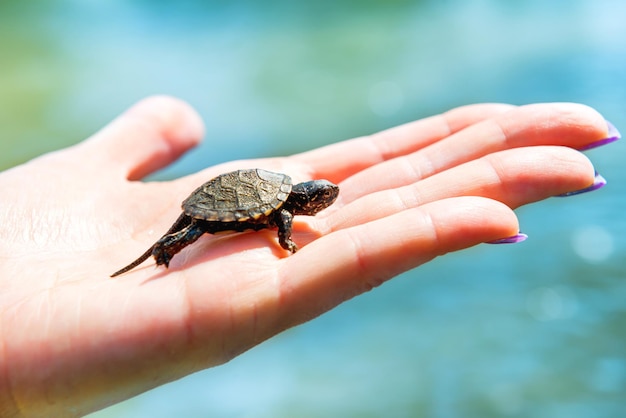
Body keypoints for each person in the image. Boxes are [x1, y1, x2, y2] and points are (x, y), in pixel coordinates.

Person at [0, 96, 618, 417]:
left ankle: (164, 247)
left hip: (235, 193)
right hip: (219, 201)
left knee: (191, 231)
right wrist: (286, 242)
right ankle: (163, 250)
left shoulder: (282, 194)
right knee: (190, 233)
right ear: (302, 198)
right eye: (319, 195)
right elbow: (276, 226)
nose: (323, 198)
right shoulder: (281, 209)